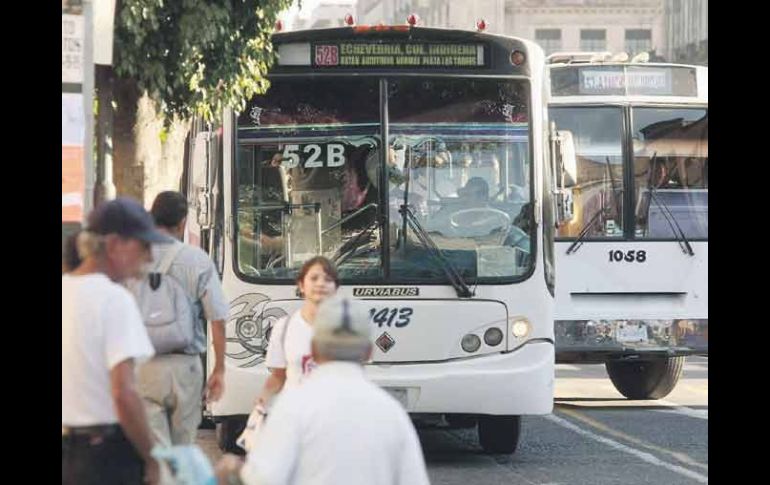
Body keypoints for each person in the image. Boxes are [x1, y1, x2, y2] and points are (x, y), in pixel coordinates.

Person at [215, 296, 431, 485]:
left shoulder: (293, 405)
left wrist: (231, 472)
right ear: (368, 353)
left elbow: (263, 479)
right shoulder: (392, 413)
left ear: (315, 350)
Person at [62, 197, 172, 485]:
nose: (149, 258)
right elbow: (123, 393)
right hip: (103, 456)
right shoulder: (114, 300)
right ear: (113, 244)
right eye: (143, 246)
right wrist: (151, 457)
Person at [131, 191, 230, 447]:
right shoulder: (197, 259)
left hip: (144, 366)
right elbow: (217, 318)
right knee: (183, 447)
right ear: (183, 222)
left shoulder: (133, 259)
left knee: (154, 449)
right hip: (185, 368)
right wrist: (219, 367)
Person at [255, 256, 340, 407]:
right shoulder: (284, 327)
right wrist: (260, 407)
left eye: (327, 279)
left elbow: (355, 381)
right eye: (314, 278)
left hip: (334, 418)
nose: (320, 284)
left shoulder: (348, 330)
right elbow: (277, 378)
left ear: (335, 288)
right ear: (301, 285)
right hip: (295, 417)